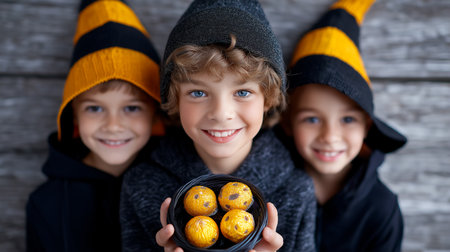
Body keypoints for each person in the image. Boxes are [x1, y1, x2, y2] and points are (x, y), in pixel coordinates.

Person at [120, 0, 316, 251]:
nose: (221, 114)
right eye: (199, 93)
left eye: (243, 92)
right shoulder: (142, 185)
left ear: (267, 99)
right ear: (175, 100)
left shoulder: (296, 192)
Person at [25, 0, 163, 251]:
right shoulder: (46, 204)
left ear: (156, 115)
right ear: (74, 116)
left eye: (132, 107)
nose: (113, 125)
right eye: (95, 108)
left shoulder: (175, 182)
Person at [279, 0, 408, 251]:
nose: (330, 136)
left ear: (367, 126)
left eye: (348, 119)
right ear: (287, 123)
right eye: (312, 119)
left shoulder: (381, 209)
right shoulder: (272, 189)